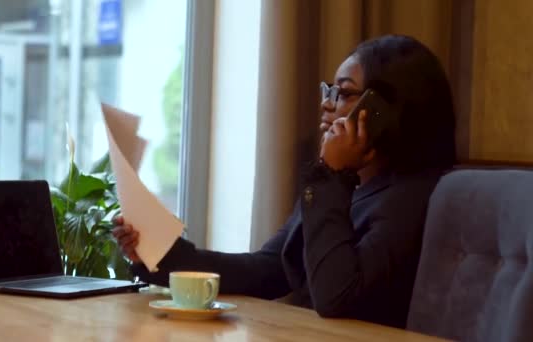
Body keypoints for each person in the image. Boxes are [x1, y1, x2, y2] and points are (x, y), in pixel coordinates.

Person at [112, 34, 456, 328]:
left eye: (344, 93)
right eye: (329, 90)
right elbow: (268, 269)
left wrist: (330, 174)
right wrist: (161, 255)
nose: (326, 104)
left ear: (386, 109)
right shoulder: (345, 187)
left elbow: (338, 297)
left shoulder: (414, 198)